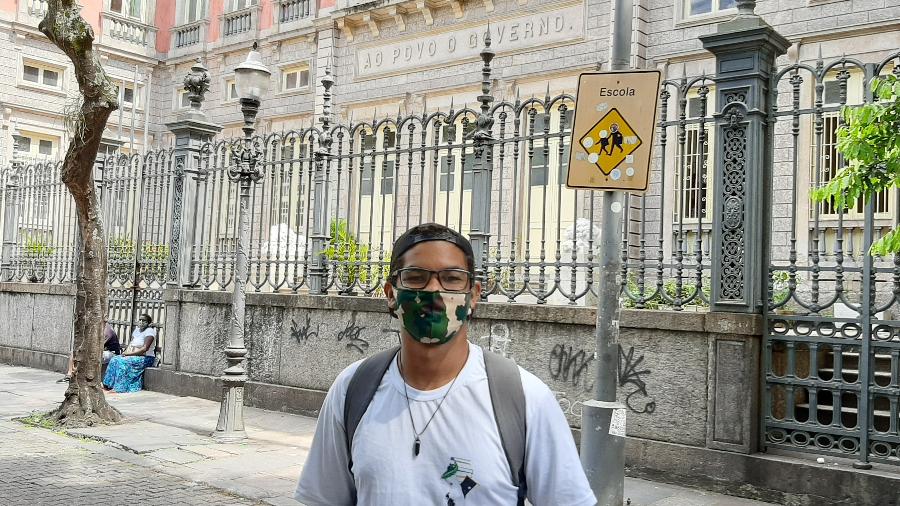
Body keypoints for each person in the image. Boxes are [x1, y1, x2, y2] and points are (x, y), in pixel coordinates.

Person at [295, 223, 596, 505]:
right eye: (415, 277)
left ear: (473, 296)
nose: (433, 291)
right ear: (390, 295)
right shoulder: (352, 389)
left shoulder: (525, 398)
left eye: (452, 278)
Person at [102, 314, 156, 393]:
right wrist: (125, 352)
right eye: (140, 320)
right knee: (115, 359)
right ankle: (108, 385)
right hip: (133, 354)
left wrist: (129, 355)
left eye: (144, 321)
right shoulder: (137, 330)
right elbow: (132, 343)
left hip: (145, 358)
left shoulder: (150, 332)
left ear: (148, 323)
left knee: (122, 362)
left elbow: (144, 349)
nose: (141, 322)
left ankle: (119, 388)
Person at [56, 319, 122, 383]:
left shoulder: (106, 330)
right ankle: (70, 374)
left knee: (89, 355)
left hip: (111, 353)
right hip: (102, 351)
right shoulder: (97, 329)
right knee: (74, 352)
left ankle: (84, 376)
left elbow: (98, 346)